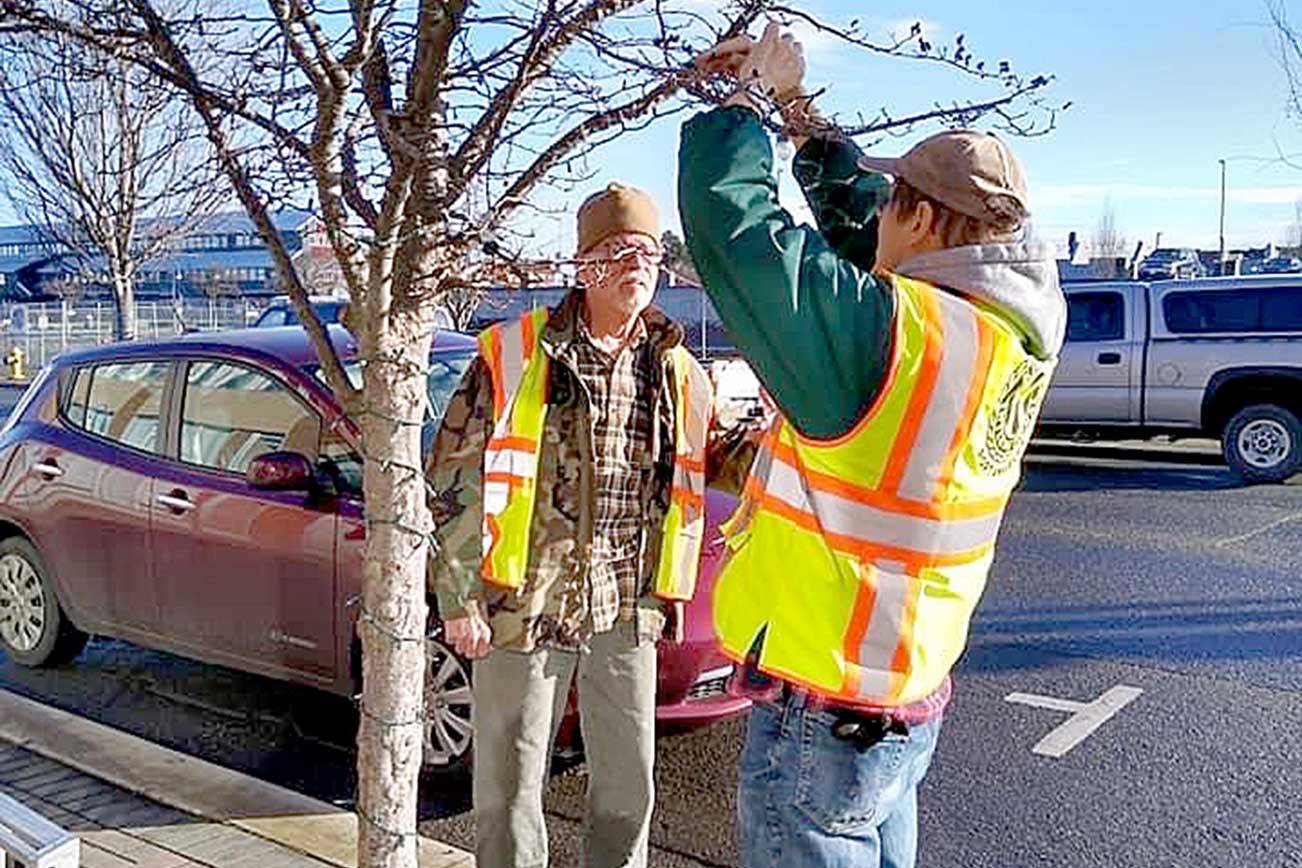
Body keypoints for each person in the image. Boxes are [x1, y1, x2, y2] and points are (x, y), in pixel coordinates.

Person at [678, 24, 1067, 868]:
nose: (875, 216)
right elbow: (868, 227)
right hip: (904, 693)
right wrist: (794, 106)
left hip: (823, 712)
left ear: (923, 218)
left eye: (896, 203)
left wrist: (744, 96)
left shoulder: (890, 336)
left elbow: (730, 223)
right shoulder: (1009, 331)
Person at [426, 182, 719, 868]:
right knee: (507, 787)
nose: (637, 267)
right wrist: (460, 592)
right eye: (618, 253)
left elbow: (714, 460)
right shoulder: (515, 354)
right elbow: (454, 476)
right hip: (525, 601)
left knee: (627, 788)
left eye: (647, 253)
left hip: (626, 606)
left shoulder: (677, 369)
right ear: (583, 266)